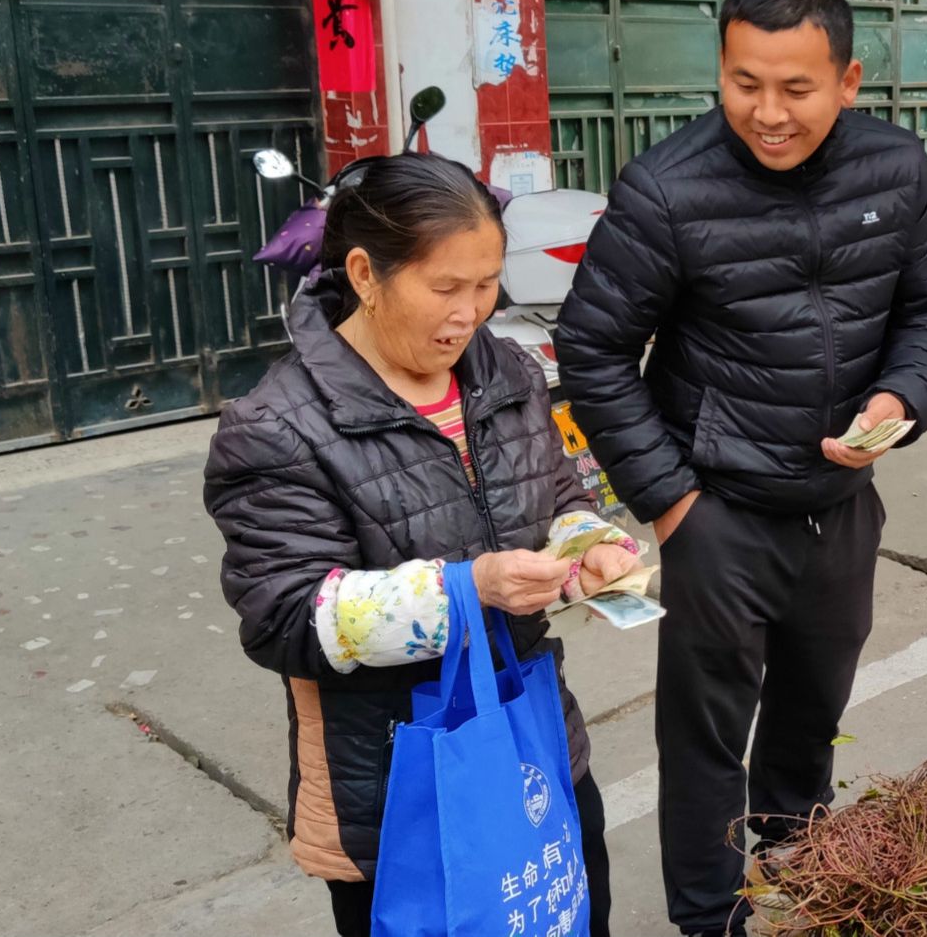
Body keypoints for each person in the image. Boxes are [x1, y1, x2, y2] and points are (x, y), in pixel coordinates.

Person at [555, 0, 927, 936]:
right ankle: (711, 918)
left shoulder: (896, 169)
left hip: (840, 503)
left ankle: (802, 874)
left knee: (810, 711)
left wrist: (904, 396)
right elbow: (593, 346)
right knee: (704, 738)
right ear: (722, 70)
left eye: (795, 88)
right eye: (744, 83)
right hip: (717, 512)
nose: (767, 113)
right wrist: (668, 500)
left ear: (849, 79)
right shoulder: (665, 189)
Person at [204, 152, 635, 937]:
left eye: (486, 284)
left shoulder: (505, 372)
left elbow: (558, 493)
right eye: (445, 287)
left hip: (532, 747)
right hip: (395, 786)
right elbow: (285, 616)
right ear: (366, 273)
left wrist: (588, 545)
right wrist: (470, 588)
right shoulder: (276, 428)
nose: (470, 312)